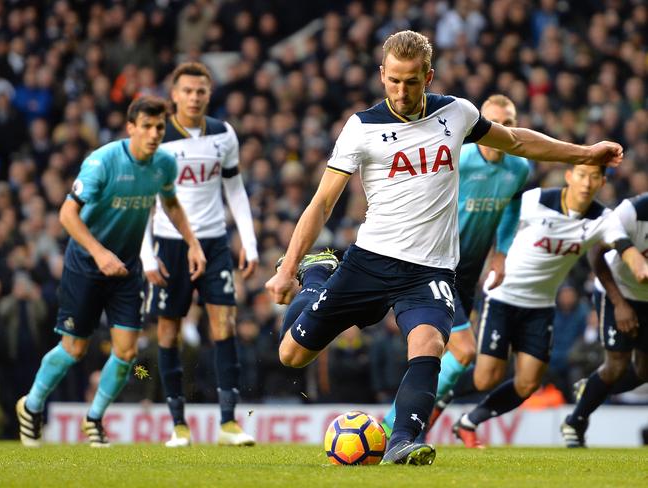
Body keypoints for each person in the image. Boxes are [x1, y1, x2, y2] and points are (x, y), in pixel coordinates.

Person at [265, 30, 624, 465]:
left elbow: (515, 141)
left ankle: (402, 441)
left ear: (429, 76)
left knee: (431, 343)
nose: (401, 90)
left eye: (412, 81)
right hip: (370, 262)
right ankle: (318, 272)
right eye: (394, 80)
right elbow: (322, 202)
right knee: (292, 354)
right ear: (381, 75)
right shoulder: (361, 128)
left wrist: (585, 153)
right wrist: (286, 271)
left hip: (430, 270)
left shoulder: (457, 114)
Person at [16, 96, 206, 447]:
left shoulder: (164, 165)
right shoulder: (102, 162)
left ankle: (95, 417)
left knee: (127, 351)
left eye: (159, 128)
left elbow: (171, 204)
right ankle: (31, 405)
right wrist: (99, 252)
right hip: (86, 264)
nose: (153, 134)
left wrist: (192, 242)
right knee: (74, 349)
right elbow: (66, 215)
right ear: (131, 128)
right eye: (146, 127)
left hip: (126, 268)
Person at [450, 166, 648, 448]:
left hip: (541, 305)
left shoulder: (601, 218)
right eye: (582, 175)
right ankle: (437, 394)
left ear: (603, 182)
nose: (587, 183)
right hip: (503, 294)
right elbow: (502, 216)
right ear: (569, 176)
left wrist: (638, 265)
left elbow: (621, 243)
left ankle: (469, 422)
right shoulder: (538, 200)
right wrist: (497, 256)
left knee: (528, 384)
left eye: (594, 177)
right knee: (485, 378)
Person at [381, 94, 530, 438]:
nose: (501, 130)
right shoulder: (458, 158)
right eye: (494, 123)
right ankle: (395, 426)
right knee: (462, 350)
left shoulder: (519, 167)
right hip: (437, 263)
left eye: (508, 123)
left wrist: (502, 253)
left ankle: (410, 425)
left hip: (471, 270)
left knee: (443, 351)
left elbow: (512, 208)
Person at [140, 62, 257, 447]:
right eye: (187, 90)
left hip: (214, 240)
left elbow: (235, 190)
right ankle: (178, 424)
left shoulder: (224, 135)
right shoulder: (158, 138)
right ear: (174, 95)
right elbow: (143, 201)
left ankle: (228, 422)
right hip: (168, 243)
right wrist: (145, 255)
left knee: (224, 324)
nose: (194, 97)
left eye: (201, 91)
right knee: (170, 330)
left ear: (209, 94)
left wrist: (249, 242)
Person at [562, 192, 648, 447]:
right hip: (617, 289)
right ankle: (575, 422)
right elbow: (595, 254)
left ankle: (589, 389)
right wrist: (619, 304)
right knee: (616, 365)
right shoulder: (633, 211)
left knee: (645, 370)